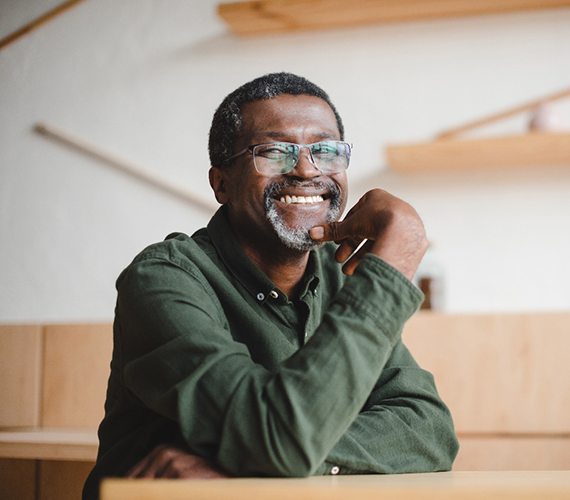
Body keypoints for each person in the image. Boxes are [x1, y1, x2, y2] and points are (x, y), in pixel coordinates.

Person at [83, 72, 458, 499]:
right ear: (221, 183)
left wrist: (261, 464)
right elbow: (278, 439)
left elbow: (429, 431)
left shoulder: (339, 276)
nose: (305, 169)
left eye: (325, 150)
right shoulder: (163, 278)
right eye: (275, 151)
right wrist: (393, 262)